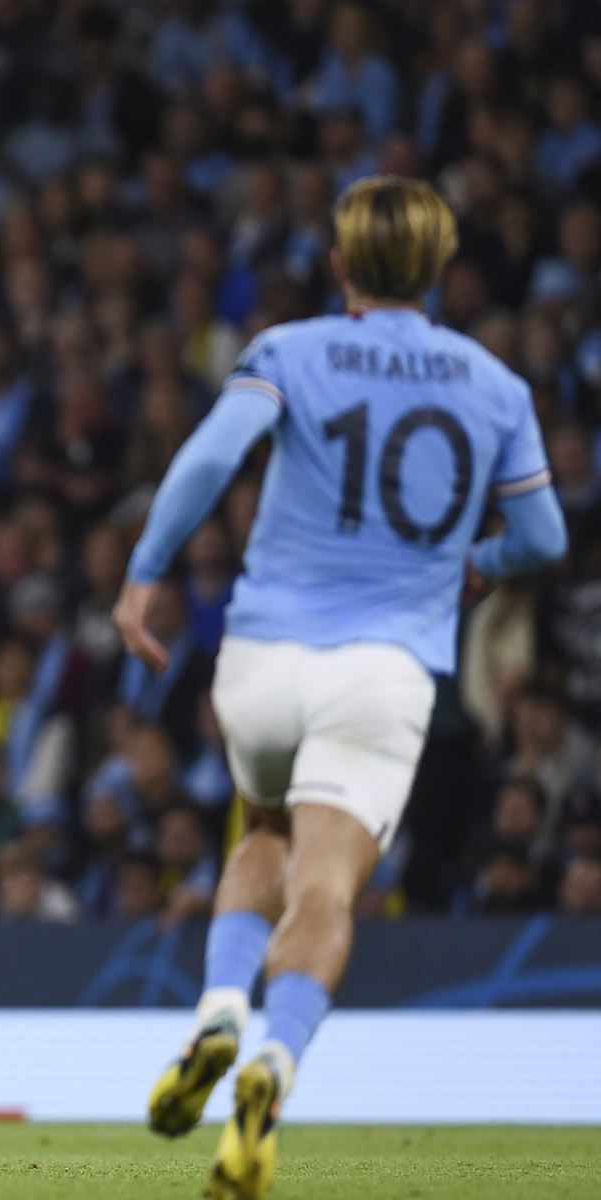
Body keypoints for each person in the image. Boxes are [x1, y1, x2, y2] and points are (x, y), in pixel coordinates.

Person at [114, 177, 566, 1199]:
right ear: (443, 269)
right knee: (323, 888)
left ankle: (218, 1011)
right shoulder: (496, 385)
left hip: (263, 660)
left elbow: (210, 458)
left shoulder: (289, 350)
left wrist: (145, 572)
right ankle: (274, 1062)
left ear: (338, 264)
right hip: (385, 674)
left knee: (259, 832)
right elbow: (545, 536)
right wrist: (479, 564)